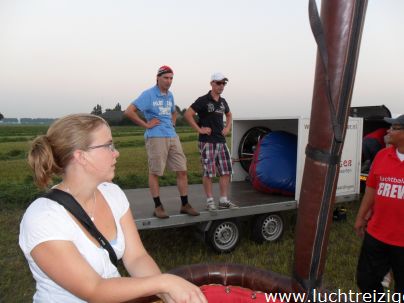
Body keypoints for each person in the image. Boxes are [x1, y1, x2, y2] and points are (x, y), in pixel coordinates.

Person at [19, 114, 207, 303]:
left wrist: (166, 295)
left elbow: (136, 257)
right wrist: (164, 283)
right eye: (108, 145)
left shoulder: (112, 194)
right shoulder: (43, 218)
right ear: (81, 156)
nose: (116, 152)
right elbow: (94, 290)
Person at [124, 66, 199, 218]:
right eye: (166, 78)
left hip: (172, 135)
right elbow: (129, 111)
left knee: (182, 170)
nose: (169, 81)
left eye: (171, 78)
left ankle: (185, 204)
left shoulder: (170, 95)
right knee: (155, 172)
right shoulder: (148, 94)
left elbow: (174, 112)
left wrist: (172, 123)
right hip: (156, 137)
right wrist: (146, 124)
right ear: (158, 78)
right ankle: (158, 206)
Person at [355, 114, 404, 296]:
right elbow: (371, 190)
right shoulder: (382, 155)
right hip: (377, 234)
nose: (388, 130)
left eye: (394, 127)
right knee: (366, 280)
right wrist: (361, 217)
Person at [184, 73, 238, 211]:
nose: (221, 86)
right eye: (218, 83)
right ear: (212, 83)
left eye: (223, 84)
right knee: (208, 172)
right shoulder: (203, 100)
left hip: (221, 141)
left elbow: (229, 115)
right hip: (207, 142)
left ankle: (223, 200)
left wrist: (227, 127)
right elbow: (188, 114)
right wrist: (199, 129)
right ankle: (210, 201)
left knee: (226, 171)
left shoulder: (223, 102)